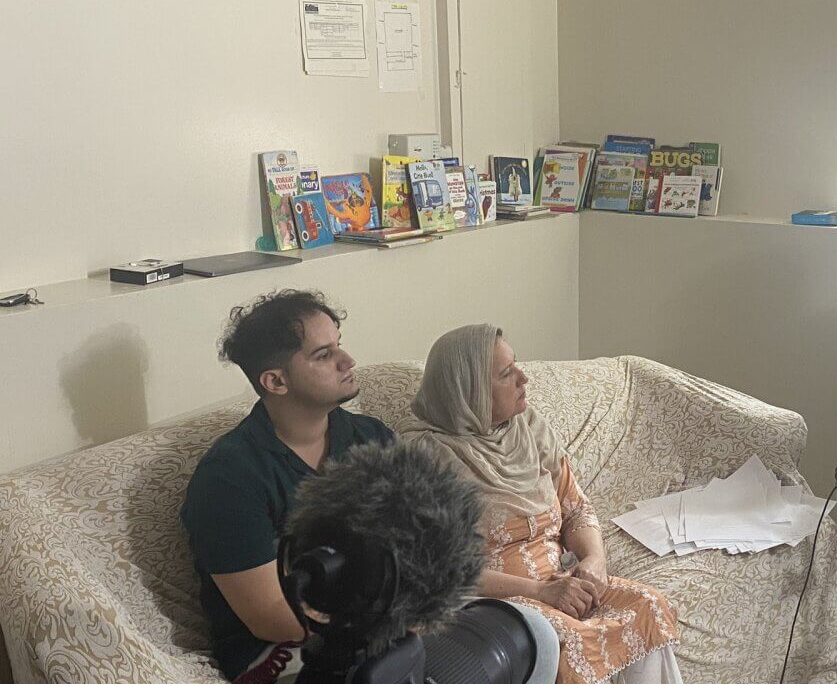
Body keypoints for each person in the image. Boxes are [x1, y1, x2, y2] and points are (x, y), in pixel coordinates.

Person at [181, 291, 558, 683]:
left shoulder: (370, 438)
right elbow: (273, 617)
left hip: (395, 627)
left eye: (339, 345)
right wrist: (399, 614)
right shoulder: (229, 478)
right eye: (324, 355)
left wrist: (424, 604)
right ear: (276, 381)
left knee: (536, 636)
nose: (348, 361)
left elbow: (430, 551)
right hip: (289, 653)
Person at [403, 325, 683, 684]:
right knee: (569, 637)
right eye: (506, 374)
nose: (524, 378)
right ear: (469, 391)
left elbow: (576, 507)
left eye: (516, 364)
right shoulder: (424, 456)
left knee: (648, 606)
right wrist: (540, 591)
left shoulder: (529, 428)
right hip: (492, 602)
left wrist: (593, 560)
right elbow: (438, 569)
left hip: (556, 580)